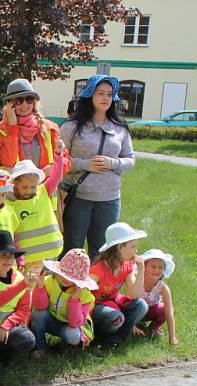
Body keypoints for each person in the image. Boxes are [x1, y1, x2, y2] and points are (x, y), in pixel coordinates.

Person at [59, 75, 135, 259]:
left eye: (110, 94)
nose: (105, 98)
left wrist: (112, 163)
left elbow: (130, 159)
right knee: (72, 249)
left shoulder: (120, 128)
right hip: (78, 197)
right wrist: (86, 164)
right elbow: (58, 161)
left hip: (109, 200)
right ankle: (65, 287)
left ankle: (97, 288)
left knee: (102, 252)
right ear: (90, 95)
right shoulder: (71, 126)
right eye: (100, 93)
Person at [0, 79, 71, 182]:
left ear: (34, 102)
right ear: (10, 104)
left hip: (43, 193)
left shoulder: (50, 128)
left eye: (29, 99)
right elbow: (8, 162)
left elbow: (67, 162)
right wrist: (13, 127)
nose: (25, 105)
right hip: (13, 194)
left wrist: (50, 170)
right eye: (19, 101)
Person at [0, 231, 38, 362]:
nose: (9, 260)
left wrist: (6, 325)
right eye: (3, 255)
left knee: (27, 339)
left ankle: (2, 357)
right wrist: (22, 285)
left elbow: (24, 310)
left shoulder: (20, 278)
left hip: (6, 330)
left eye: (11, 256)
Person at [89, 222, 149, 347]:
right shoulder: (98, 269)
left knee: (141, 305)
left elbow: (134, 295)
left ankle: (116, 339)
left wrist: (141, 270)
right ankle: (97, 336)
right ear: (120, 247)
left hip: (113, 303)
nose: (136, 250)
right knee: (116, 317)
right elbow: (84, 296)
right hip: (95, 307)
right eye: (132, 246)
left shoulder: (127, 266)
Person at [31, 248, 97, 351]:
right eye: (63, 274)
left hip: (69, 327)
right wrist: (40, 287)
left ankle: (68, 347)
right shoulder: (50, 281)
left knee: (73, 335)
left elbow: (75, 323)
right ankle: (40, 348)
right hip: (52, 321)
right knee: (38, 314)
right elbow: (40, 307)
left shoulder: (85, 296)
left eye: (70, 277)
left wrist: (74, 300)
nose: (65, 279)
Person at [6, 159, 64, 267]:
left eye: (33, 187)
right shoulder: (9, 202)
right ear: (15, 184)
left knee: (45, 283)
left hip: (49, 254)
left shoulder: (43, 191)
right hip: (25, 258)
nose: (29, 191)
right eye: (24, 187)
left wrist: (58, 157)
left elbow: (55, 177)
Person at [136, 249, 178, 346]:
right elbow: (128, 303)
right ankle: (133, 325)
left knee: (167, 309)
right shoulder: (137, 280)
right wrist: (131, 326)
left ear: (164, 270)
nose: (157, 270)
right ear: (144, 267)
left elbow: (169, 313)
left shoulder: (163, 287)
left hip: (151, 311)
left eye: (160, 267)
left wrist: (172, 337)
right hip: (135, 311)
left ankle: (153, 327)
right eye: (153, 266)